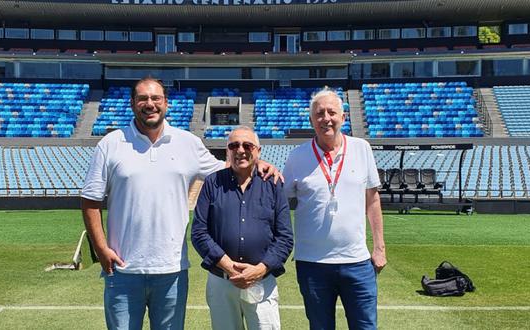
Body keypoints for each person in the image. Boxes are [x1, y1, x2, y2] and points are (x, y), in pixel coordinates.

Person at [81, 78, 280, 330]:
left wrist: (258, 163)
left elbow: (226, 169)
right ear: (132, 103)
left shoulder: (187, 142)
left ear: (166, 104)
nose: (149, 104)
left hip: (171, 269)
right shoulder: (110, 144)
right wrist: (100, 247)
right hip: (123, 269)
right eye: (143, 98)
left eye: (155, 99)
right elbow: (90, 200)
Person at [283, 88, 387, 330]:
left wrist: (379, 248)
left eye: (332, 112)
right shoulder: (297, 157)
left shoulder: (361, 148)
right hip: (312, 263)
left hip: (357, 262)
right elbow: (282, 204)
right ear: (311, 120)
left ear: (343, 117)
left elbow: (372, 200)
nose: (326, 118)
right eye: (319, 113)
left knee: (365, 327)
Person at [191, 126, 293, 330]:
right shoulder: (213, 183)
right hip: (221, 280)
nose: (240, 150)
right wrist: (228, 265)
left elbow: (284, 238)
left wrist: (260, 269)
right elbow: (199, 232)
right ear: (227, 150)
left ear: (258, 150)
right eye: (234, 145)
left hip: (261, 280)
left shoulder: (273, 184)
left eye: (247, 145)